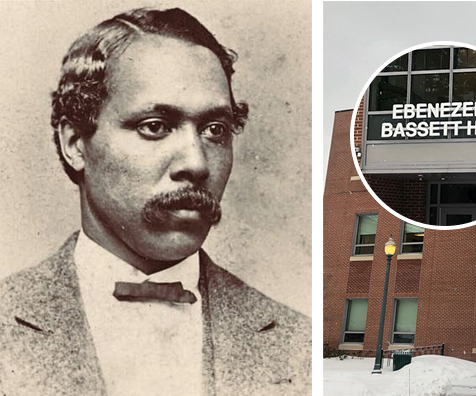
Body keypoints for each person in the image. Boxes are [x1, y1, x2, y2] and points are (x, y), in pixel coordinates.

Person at [0, 7, 310, 395]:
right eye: (155, 127)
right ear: (76, 143)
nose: (196, 164)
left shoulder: (300, 348)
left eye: (215, 130)